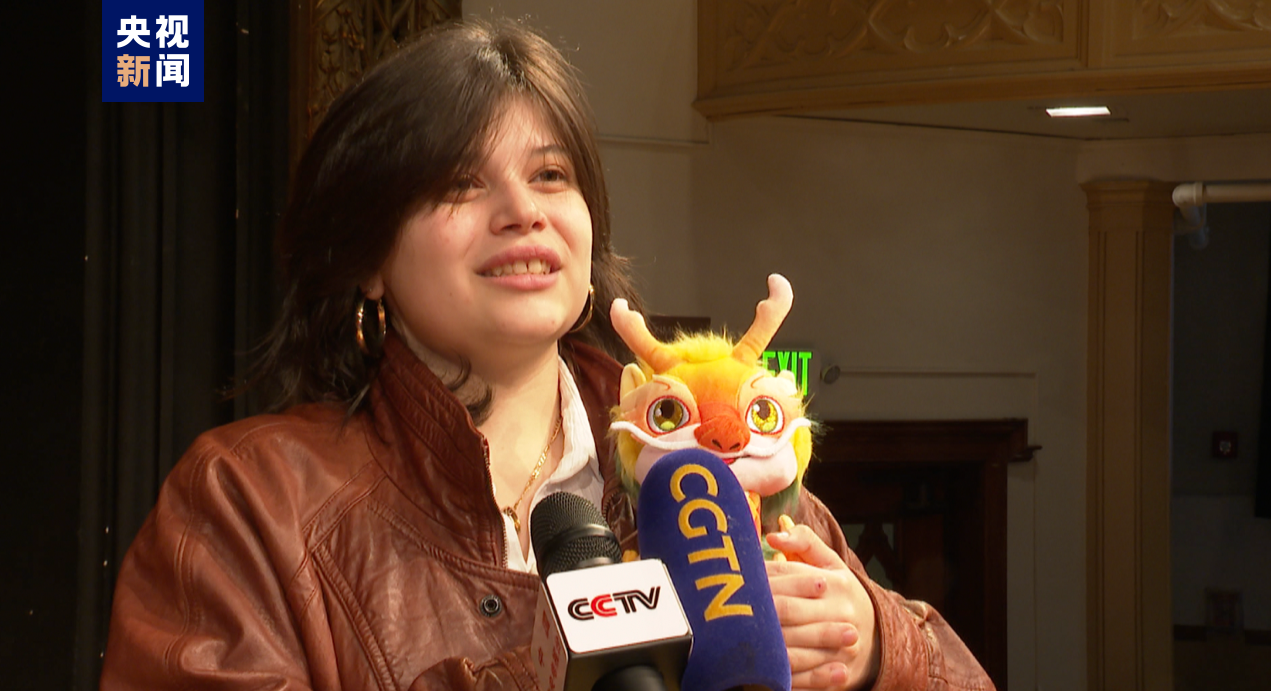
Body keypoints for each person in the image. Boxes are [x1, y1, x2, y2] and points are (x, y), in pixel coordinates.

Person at [100, 18, 993, 691]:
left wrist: (875, 646)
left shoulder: (715, 467)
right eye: (459, 182)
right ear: (368, 257)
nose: (522, 211)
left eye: (550, 175)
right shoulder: (252, 500)